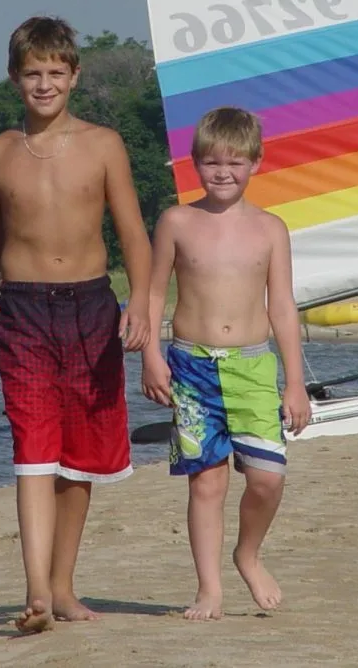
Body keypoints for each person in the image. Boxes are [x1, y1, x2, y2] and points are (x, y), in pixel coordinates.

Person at [0, 15, 153, 633]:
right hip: (21, 313)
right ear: (14, 78)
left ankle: (64, 585)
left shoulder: (103, 145)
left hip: (93, 309)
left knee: (82, 457)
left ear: (74, 75)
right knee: (33, 449)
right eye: (31, 73)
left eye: (54, 72)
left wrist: (142, 308)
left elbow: (132, 234)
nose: (43, 84)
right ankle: (37, 592)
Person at [140, 106, 312, 621]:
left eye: (235, 164)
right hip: (190, 366)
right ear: (194, 163)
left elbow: (281, 306)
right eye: (212, 163)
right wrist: (149, 356)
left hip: (253, 369)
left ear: (257, 163)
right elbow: (151, 295)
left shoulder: (270, 229)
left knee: (267, 479)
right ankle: (208, 589)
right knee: (207, 481)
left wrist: (295, 383)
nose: (223, 173)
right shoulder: (176, 221)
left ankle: (248, 552)